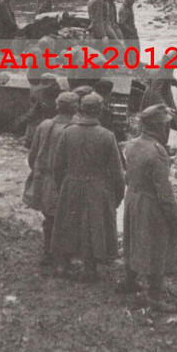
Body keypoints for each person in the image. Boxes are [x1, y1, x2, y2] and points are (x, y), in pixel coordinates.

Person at [50, 93, 126, 282]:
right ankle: (89, 269)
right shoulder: (107, 136)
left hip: (71, 184)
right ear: (100, 111)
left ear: (81, 110)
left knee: (69, 223)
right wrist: (117, 197)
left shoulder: (68, 133)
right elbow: (118, 173)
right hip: (97, 187)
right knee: (92, 226)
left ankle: (62, 265)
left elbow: (57, 166)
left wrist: (62, 186)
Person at [117, 103, 177, 306]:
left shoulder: (131, 144)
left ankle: (130, 280)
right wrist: (175, 217)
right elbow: (164, 191)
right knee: (157, 244)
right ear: (158, 127)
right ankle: (154, 295)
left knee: (132, 237)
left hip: (133, 198)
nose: (167, 129)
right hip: (151, 204)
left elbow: (127, 175)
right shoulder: (158, 152)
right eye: (165, 125)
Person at [24, 91, 79, 266]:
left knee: (49, 218)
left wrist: (38, 172)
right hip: (65, 180)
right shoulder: (75, 128)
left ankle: (47, 253)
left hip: (45, 178)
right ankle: (63, 258)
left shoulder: (44, 125)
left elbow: (32, 156)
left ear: (57, 106)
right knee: (66, 220)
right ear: (75, 108)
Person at [141, 49, 177, 138]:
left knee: (164, 124)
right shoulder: (160, 70)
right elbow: (155, 93)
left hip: (157, 98)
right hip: (154, 102)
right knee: (161, 126)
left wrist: (176, 83)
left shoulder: (164, 64)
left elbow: (167, 74)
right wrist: (165, 108)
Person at [20, 73, 61, 145]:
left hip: (46, 122)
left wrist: (24, 119)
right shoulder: (55, 90)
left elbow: (36, 109)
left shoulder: (41, 91)